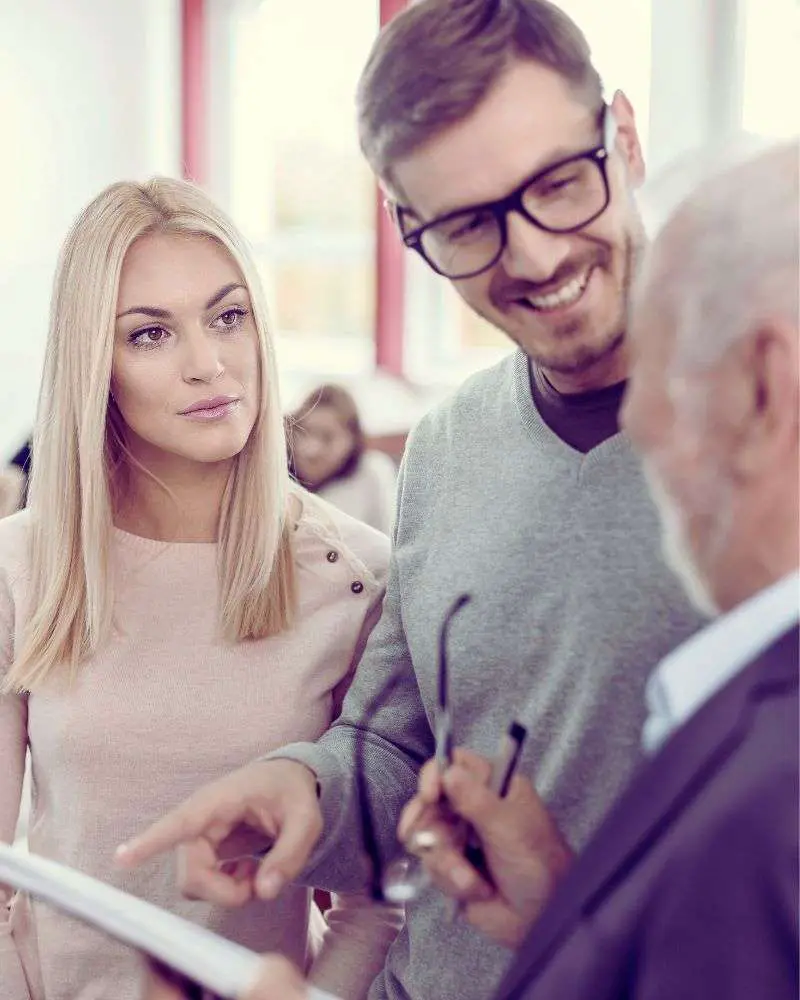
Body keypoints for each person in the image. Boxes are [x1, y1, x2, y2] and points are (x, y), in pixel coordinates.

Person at [117, 3, 706, 999]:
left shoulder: (763, 436)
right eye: (469, 224)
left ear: (625, 136)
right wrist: (307, 785)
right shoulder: (444, 446)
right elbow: (393, 739)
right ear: (407, 227)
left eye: (559, 183)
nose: (531, 257)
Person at [403, 140, 800, 999]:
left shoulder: (772, 786)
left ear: (766, 389)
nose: (642, 423)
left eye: (662, 357)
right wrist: (565, 910)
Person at [0, 177, 401, 1000]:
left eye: (228, 316)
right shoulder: (20, 569)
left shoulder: (356, 578)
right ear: (95, 367)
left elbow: (373, 900)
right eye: (150, 334)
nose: (208, 363)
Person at [287, 384, 397, 534]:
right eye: (304, 432)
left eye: (327, 437)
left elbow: (389, 543)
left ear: (352, 439)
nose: (311, 449)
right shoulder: (278, 474)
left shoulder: (371, 473)